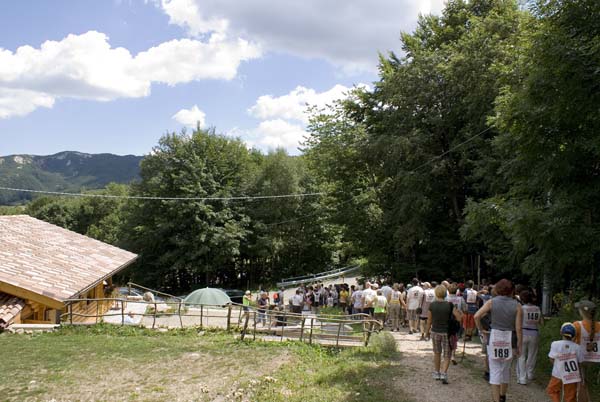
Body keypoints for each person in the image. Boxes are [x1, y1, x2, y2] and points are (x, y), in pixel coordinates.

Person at [475, 279, 523, 402]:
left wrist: (481, 330)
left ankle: (496, 399)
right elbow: (518, 328)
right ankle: (502, 395)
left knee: (495, 370)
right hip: (510, 339)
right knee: (506, 369)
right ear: (512, 291)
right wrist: (519, 344)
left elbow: (477, 316)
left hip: (495, 337)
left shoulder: (491, 302)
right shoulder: (517, 306)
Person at [426, 285, 463, 384]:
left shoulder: (432, 305)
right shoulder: (450, 305)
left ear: (436, 293)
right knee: (447, 354)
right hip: (447, 332)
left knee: (437, 353)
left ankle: (436, 372)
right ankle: (444, 373)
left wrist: (426, 332)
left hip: (435, 331)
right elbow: (459, 318)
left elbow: (429, 321)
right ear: (445, 293)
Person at [546, 322, 585, 402]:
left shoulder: (555, 344)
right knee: (570, 396)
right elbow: (580, 363)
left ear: (561, 332)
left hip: (558, 374)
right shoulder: (578, 347)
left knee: (552, 390)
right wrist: (581, 377)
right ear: (574, 335)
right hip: (572, 375)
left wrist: (559, 366)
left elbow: (551, 358)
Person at [573, 299, 599, 402]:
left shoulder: (576, 325)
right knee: (590, 385)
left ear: (582, 311)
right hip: (595, 361)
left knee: (581, 384)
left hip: (581, 359)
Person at [517, 290, 543, 385]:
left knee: (521, 356)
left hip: (523, 333)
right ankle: (530, 373)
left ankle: (522, 378)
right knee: (532, 355)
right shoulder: (537, 308)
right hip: (534, 333)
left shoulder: (521, 308)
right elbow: (541, 322)